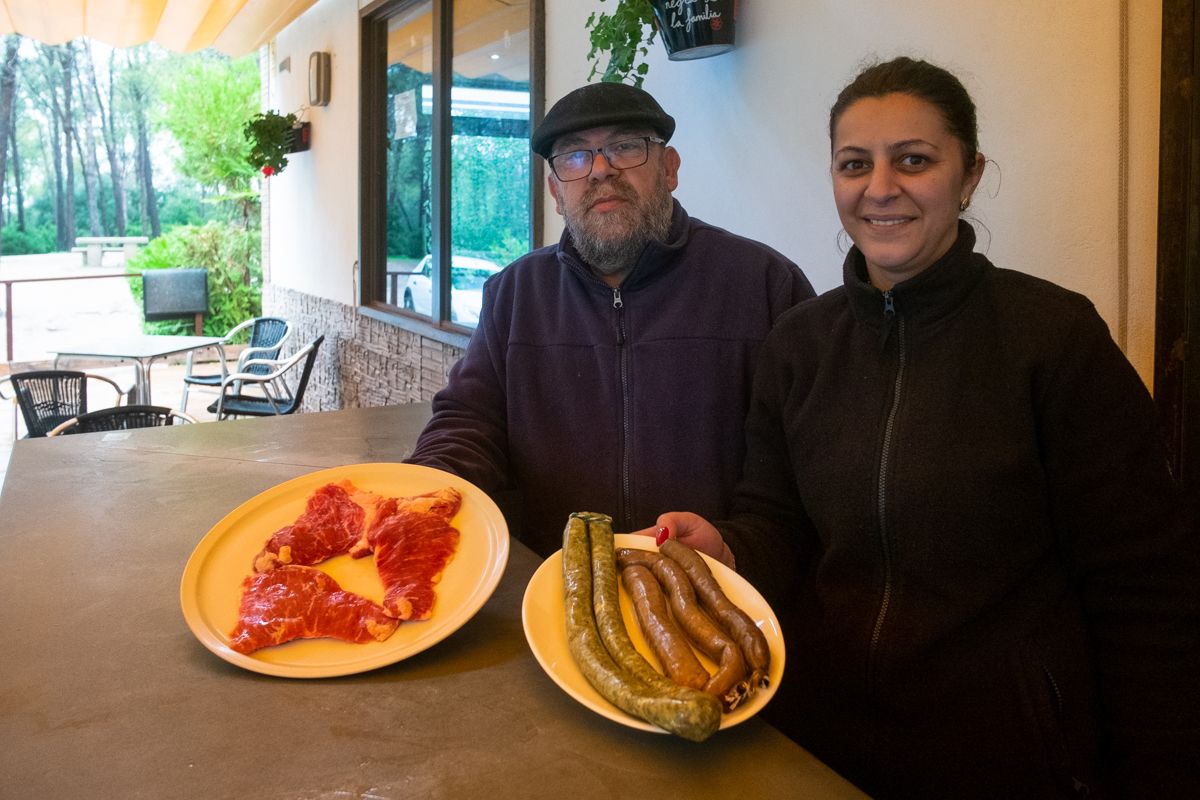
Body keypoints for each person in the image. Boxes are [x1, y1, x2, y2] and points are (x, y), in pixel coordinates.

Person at [644, 57, 1200, 798]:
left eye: (913, 160)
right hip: (819, 746)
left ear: (969, 176)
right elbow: (779, 521)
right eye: (855, 164)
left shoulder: (1055, 339)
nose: (880, 188)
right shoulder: (797, 345)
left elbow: (1145, 591)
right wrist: (730, 547)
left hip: (1007, 760)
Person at [405, 82, 815, 556]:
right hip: (553, 584)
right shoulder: (514, 295)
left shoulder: (765, 285)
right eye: (574, 156)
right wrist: (425, 490)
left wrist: (736, 550)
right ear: (556, 191)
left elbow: (800, 474)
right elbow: (469, 422)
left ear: (669, 168)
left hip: (714, 584)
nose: (601, 169)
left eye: (625, 147)